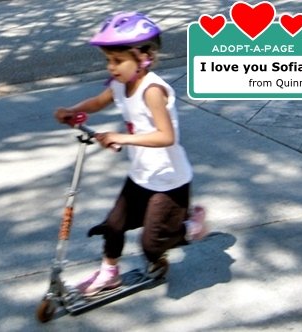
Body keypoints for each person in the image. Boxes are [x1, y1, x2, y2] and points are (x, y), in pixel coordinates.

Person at [54, 12, 208, 296]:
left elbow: (166, 136)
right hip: (141, 174)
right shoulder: (119, 84)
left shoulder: (152, 90)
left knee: (152, 245)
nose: (111, 67)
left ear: (143, 57)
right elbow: (99, 102)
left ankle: (189, 225)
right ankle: (109, 273)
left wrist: (118, 137)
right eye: (108, 60)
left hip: (169, 180)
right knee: (114, 225)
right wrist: (74, 110)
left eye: (117, 60)